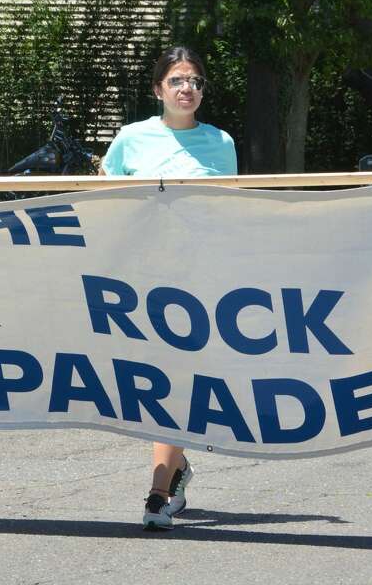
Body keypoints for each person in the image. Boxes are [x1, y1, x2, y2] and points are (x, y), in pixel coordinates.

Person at [101, 45, 238, 530]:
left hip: (196, 279)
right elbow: (104, 195)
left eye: (196, 82)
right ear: (158, 89)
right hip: (139, 278)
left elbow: (228, 211)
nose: (187, 89)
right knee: (154, 379)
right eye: (178, 81)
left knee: (178, 377)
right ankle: (174, 470)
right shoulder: (131, 138)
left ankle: (159, 491)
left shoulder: (221, 143)